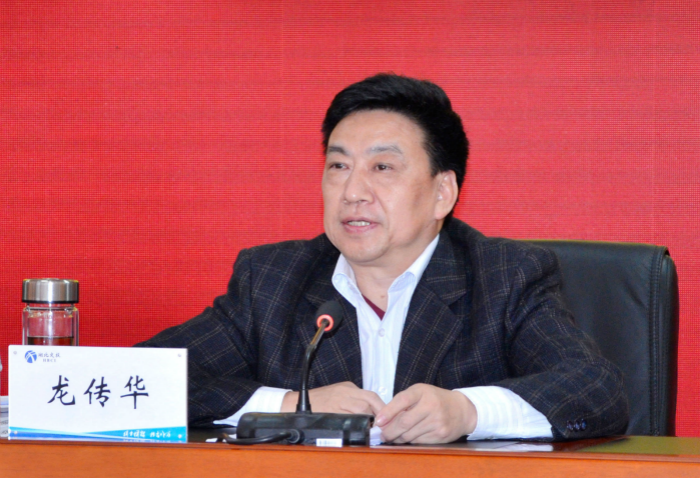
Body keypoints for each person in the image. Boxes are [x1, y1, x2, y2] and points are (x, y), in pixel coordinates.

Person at [138, 73, 629, 443]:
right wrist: (291, 405)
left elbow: (596, 389)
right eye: (338, 165)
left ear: (442, 193)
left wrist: (467, 412)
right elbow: (140, 377)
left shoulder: (504, 276)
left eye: (382, 167)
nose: (353, 191)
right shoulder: (273, 280)